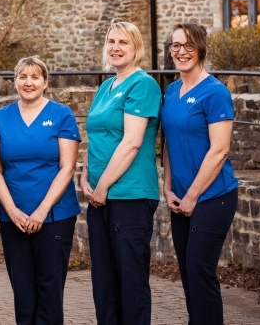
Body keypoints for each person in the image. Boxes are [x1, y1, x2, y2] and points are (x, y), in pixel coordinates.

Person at [0, 55, 81, 325]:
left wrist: (41, 211)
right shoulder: (0, 118)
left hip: (55, 216)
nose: (28, 83)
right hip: (13, 217)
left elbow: (67, 167)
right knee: (23, 291)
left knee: (50, 289)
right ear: (14, 81)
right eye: (22, 77)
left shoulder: (61, 114)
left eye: (35, 77)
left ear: (45, 82)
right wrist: (12, 210)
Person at [80, 21, 162, 325]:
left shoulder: (142, 85)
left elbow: (131, 143)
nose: (115, 47)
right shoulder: (106, 86)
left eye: (123, 42)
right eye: (111, 41)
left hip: (130, 195)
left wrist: (102, 187)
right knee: (104, 279)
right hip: (99, 195)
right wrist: (85, 174)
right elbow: (97, 136)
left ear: (136, 48)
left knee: (131, 279)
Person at [161, 23, 238, 325]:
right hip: (180, 197)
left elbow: (220, 151)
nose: (181, 52)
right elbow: (168, 141)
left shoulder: (215, 93)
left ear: (201, 49)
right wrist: (167, 187)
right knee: (188, 272)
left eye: (188, 45)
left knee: (199, 268)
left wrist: (193, 196)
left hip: (213, 196)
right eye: (176, 46)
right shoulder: (171, 90)